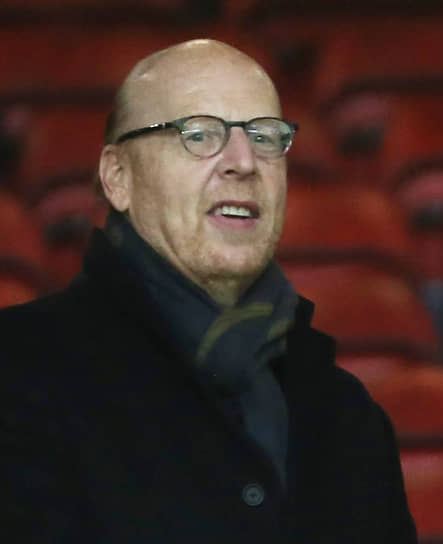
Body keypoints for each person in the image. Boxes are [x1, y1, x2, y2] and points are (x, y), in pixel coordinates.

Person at [0, 40, 416, 542]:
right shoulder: (16, 369)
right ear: (117, 177)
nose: (244, 161)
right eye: (198, 134)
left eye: (265, 137)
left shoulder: (345, 412)